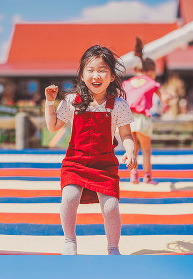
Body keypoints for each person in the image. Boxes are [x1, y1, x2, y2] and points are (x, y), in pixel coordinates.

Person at [44, 45, 136, 255]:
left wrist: (130, 151)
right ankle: (69, 242)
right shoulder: (72, 101)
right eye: (90, 70)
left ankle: (113, 248)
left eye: (102, 70)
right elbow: (53, 126)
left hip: (104, 165)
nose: (96, 75)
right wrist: (50, 102)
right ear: (82, 75)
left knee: (111, 207)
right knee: (69, 197)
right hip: (75, 162)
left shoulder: (119, 105)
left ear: (112, 77)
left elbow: (126, 135)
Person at [123, 38, 162, 185]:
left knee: (132, 148)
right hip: (142, 118)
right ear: (151, 71)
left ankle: (133, 175)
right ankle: (147, 176)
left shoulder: (127, 83)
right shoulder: (151, 82)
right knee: (146, 148)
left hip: (128, 119)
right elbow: (162, 97)